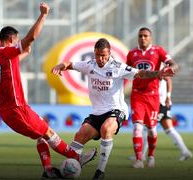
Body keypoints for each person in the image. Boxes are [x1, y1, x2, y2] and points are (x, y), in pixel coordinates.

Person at [0, 2, 96, 179]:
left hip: (7, 111)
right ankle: (77, 157)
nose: (18, 43)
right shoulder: (8, 52)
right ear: (10, 40)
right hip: (18, 110)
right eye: (16, 41)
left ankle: (48, 171)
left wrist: (23, 54)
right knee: (48, 132)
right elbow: (31, 38)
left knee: (41, 137)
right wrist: (43, 15)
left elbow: (9, 65)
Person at [51, 38, 175, 179]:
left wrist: (158, 74)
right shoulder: (89, 65)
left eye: (104, 55)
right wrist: (61, 65)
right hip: (97, 112)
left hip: (116, 110)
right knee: (80, 135)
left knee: (106, 128)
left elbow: (140, 73)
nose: (101, 59)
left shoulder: (118, 67)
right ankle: (71, 167)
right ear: (94, 53)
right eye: (98, 55)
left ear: (109, 53)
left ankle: (100, 172)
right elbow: (70, 64)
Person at [126, 27, 179, 168]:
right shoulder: (132, 54)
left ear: (150, 37)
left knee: (151, 130)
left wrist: (170, 69)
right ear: (138, 37)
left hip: (153, 96)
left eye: (145, 36)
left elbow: (174, 64)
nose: (143, 38)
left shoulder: (158, 51)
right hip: (137, 94)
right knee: (137, 127)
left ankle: (151, 156)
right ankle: (138, 160)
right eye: (140, 36)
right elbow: (126, 72)